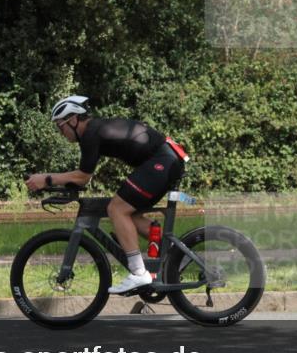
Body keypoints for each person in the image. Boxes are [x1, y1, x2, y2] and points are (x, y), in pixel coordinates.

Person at [24, 95, 188, 294]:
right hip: (166, 160)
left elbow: (83, 177)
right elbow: (81, 176)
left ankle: (139, 273)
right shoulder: (95, 129)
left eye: (61, 126)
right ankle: (179, 256)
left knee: (116, 209)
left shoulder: (91, 134)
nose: (61, 132)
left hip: (162, 161)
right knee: (130, 214)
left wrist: (47, 179)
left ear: (74, 120)